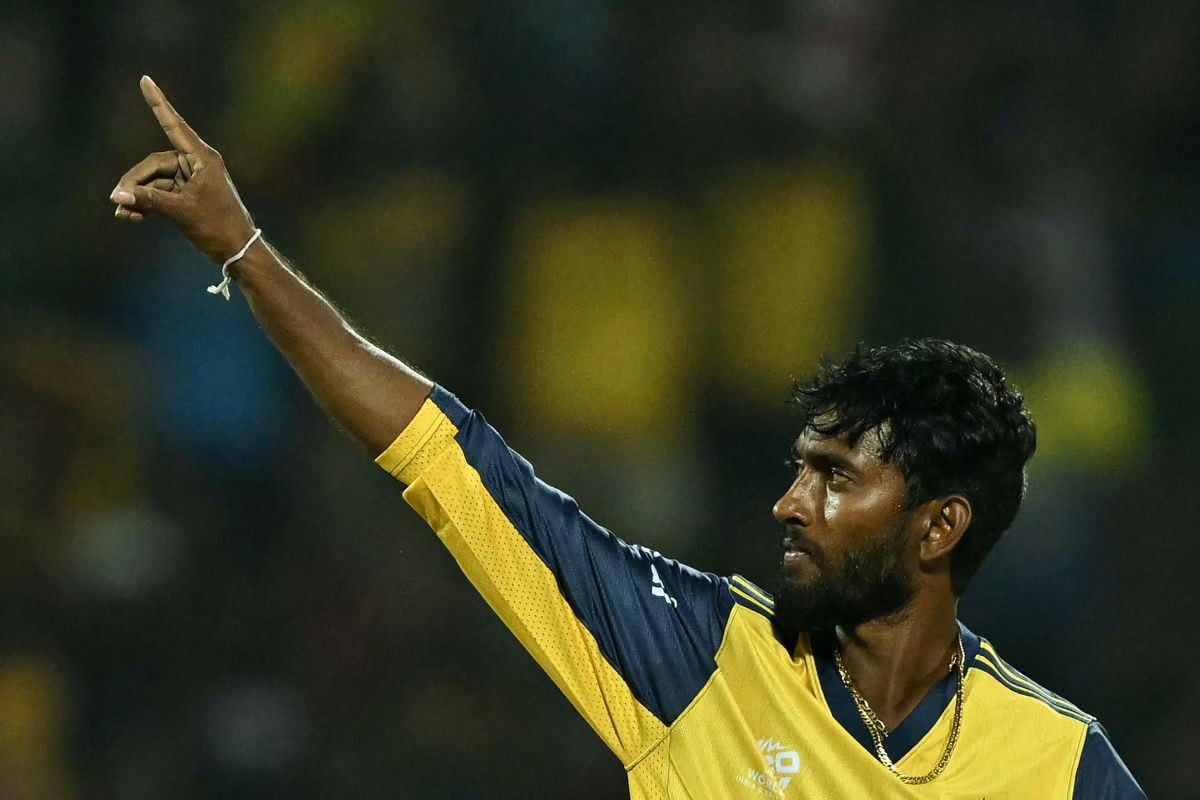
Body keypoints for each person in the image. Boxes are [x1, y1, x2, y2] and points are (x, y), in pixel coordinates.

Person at [109, 76, 1146, 799]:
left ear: (937, 526)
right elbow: (450, 458)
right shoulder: (700, 662)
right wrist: (242, 245)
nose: (790, 501)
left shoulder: (1062, 768)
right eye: (799, 470)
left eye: (836, 479)